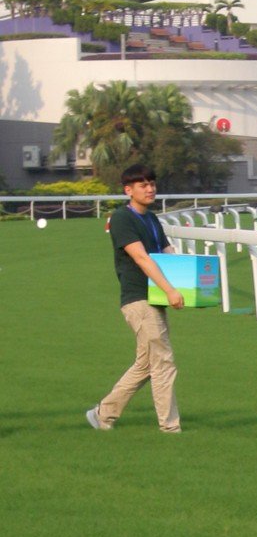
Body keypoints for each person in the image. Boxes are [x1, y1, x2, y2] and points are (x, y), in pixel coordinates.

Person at [86, 164, 185, 433]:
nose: (150, 188)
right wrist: (170, 290)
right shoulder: (122, 218)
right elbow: (141, 257)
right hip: (139, 299)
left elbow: (165, 250)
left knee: (146, 364)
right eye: (143, 185)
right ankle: (170, 427)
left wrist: (187, 282)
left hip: (155, 297)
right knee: (163, 361)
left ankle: (103, 414)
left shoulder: (151, 218)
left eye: (152, 183)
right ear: (128, 190)